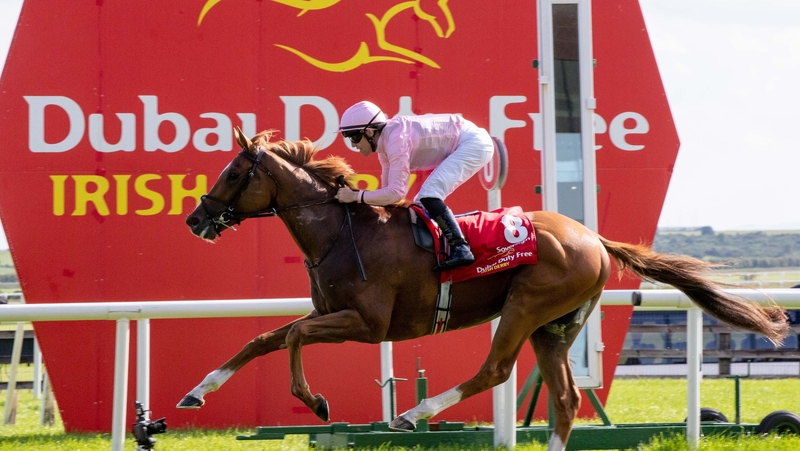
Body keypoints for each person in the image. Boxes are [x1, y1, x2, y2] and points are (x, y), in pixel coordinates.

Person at [334, 100, 494, 271]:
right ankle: (435, 250)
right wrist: (357, 199)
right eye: (348, 138)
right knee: (420, 202)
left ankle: (461, 248)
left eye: (355, 136)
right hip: (467, 141)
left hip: (473, 144)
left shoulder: (396, 141)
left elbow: (395, 193)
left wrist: (354, 196)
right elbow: (387, 198)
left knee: (428, 195)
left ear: (370, 132)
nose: (353, 144)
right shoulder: (385, 145)